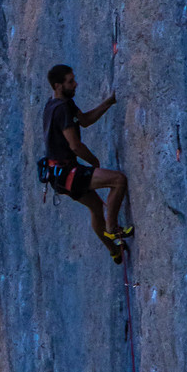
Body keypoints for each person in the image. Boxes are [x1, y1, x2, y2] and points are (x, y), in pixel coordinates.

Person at [40, 63, 132, 259]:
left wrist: (109, 102)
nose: (76, 84)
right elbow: (75, 145)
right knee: (118, 180)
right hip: (68, 173)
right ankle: (112, 227)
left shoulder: (55, 104)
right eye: (70, 81)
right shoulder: (62, 109)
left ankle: (114, 251)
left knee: (96, 208)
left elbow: (85, 120)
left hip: (58, 177)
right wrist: (94, 161)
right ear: (58, 86)